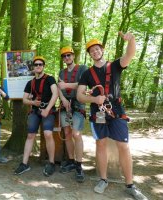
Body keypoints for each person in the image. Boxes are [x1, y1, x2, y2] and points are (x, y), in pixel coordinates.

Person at [77, 32, 148, 200]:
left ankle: (130, 184)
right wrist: (94, 98)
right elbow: (80, 95)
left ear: (102, 50)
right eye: (91, 51)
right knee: (100, 144)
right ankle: (103, 179)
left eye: (97, 49)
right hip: (99, 113)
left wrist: (131, 40)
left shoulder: (115, 65)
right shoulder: (87, 74)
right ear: (90, 55)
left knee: (123, 146)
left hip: (116, 111)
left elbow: (129, 55)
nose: (95, 52)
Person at [14, 56, 58, 176]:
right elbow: (24, 99)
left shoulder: (50, 79)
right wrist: (33, 102)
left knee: (48, 134)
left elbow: (56, 93)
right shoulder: (30, 83)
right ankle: (24, 163)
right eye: (36, 65)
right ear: (33, 68)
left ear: (43, 66)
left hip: (48, 110)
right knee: (30, 135)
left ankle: (51, 163)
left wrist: (47, 109)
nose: (38, 66)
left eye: (40, 64)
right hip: (35, 111)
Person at [57, 46, 87, 182]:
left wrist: (67, 85)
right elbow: (59, 87)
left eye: (69, 55)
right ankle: (71, 160)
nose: (67, 58)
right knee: (67, 133)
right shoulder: (61, 72)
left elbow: (83, 85)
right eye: (64, 56)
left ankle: (79, 165)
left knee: (76, 134)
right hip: (65, 105)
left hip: (78, 104)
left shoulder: (82, 69)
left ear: (73, 56)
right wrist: (62, 99)